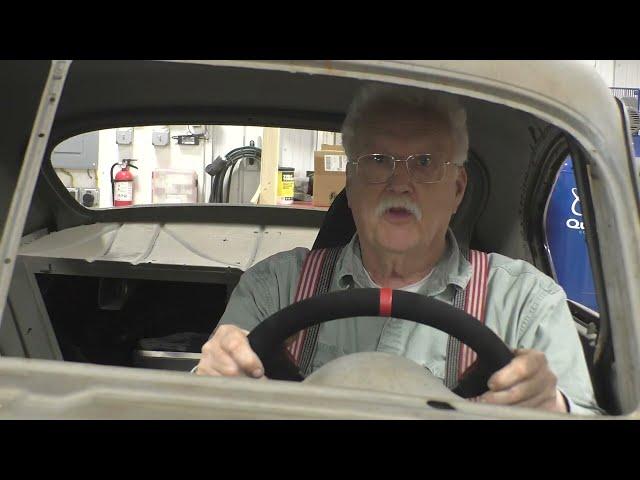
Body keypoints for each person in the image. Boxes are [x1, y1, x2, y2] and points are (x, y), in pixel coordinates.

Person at [195, 83, 601, 415]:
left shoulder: (525, 301)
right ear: (350, 187)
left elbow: (582, 410)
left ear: (457, 190)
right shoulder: (273, 288)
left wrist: (551, 403)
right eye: (377, 160)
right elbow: (199, 406)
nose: (400, 183)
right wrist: (213, 376)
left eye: (424, 162)